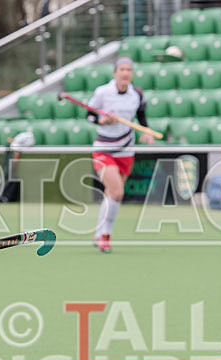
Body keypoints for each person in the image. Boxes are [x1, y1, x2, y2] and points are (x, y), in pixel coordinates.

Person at [87, 57, 155, 253]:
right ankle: (106, 235)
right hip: (104, 148)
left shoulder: (137, 94)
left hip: (126, 148)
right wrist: (103, 121)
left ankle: (99, 232)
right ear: (115, 72)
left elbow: (142, 117)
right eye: (122, 69)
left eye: (128, 70)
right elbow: (90, 115)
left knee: (111, 194)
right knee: (117, 192)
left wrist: (146, 132)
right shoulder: (102, 92)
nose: (125, 73)